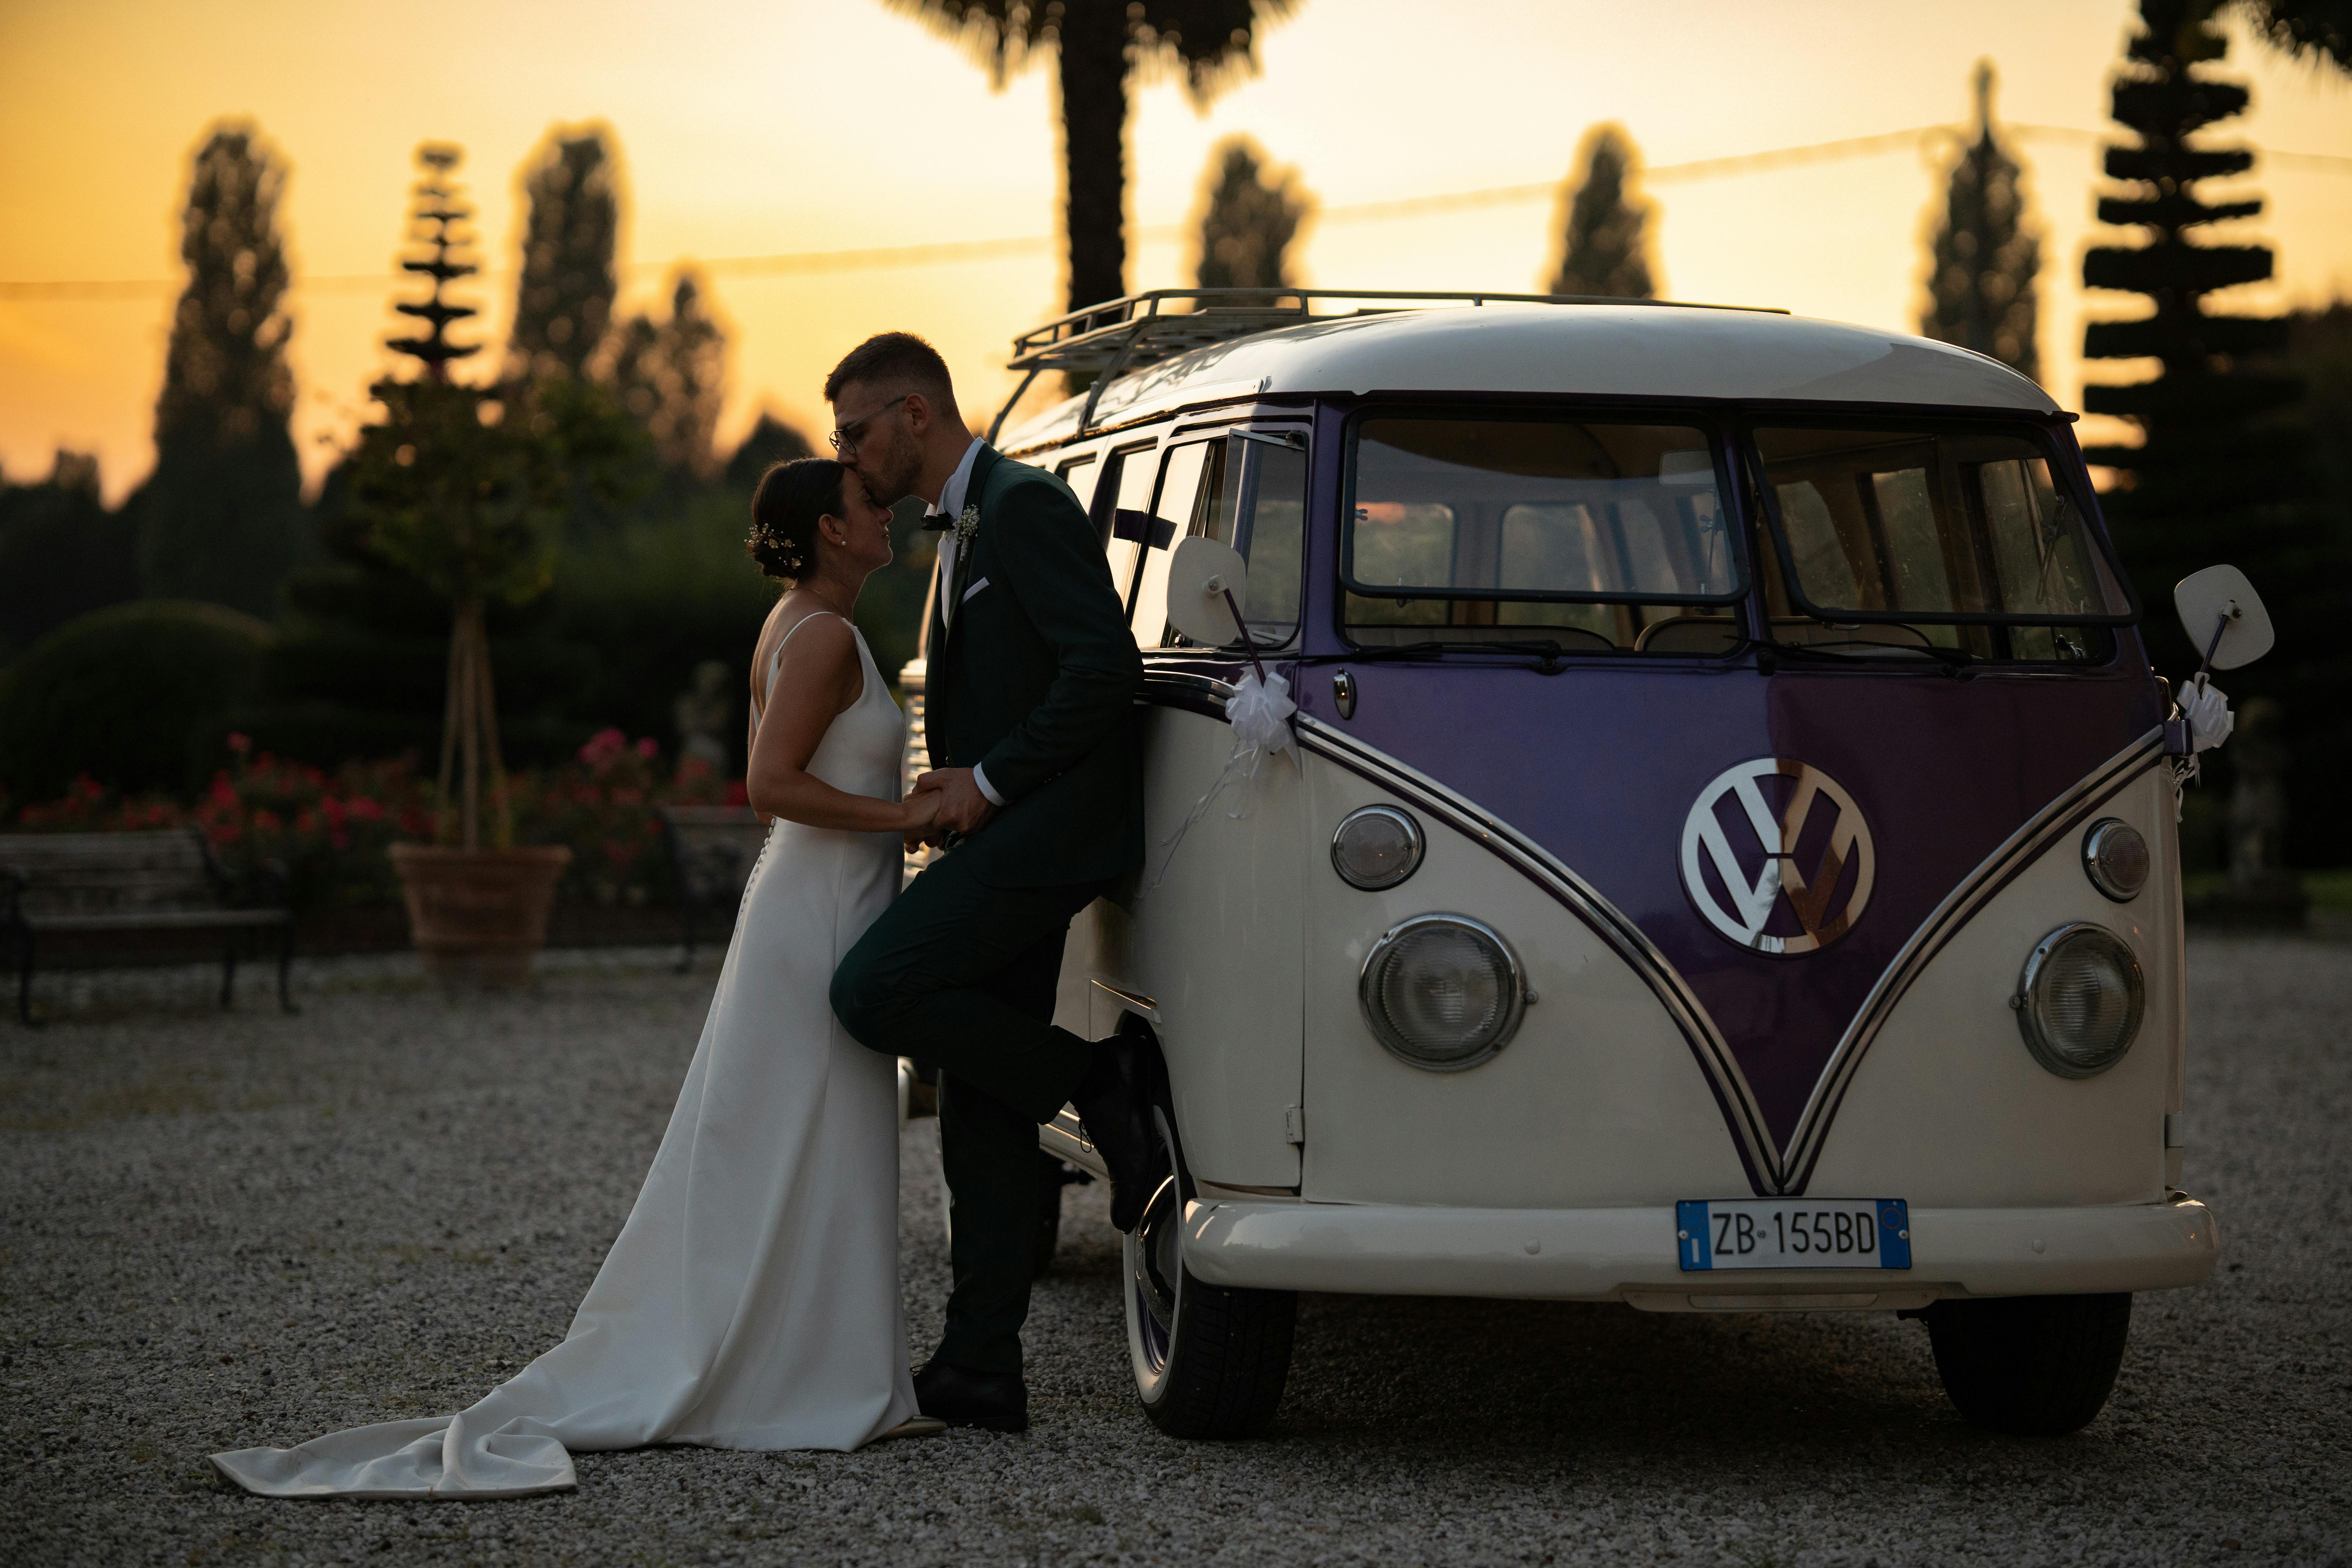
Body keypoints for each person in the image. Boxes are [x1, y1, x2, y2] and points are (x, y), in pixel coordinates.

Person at [210, 459, 947, 1499]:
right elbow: (769, 787)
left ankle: (826, 1378)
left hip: (813, 904)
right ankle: (814, 1386)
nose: (891, 514)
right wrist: (905, 816)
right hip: (819, 912)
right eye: (873, 505)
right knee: (813, 1133)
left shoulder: (795, 621)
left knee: (813, 1140)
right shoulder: (822, 635)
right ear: (832, 529)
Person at [824, 332, 1156, 1436]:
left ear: (915, 415)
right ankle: (980, 1367)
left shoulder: (1020, 507)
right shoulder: (961, 522)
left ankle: (1100, 1083)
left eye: (856, 429)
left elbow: (1105, 667)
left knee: (874, 988)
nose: (847, 452)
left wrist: (994, 784)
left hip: (1053, 831)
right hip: (1004, 836)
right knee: (978, 1100)